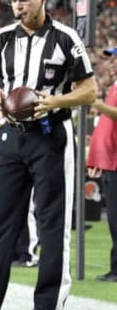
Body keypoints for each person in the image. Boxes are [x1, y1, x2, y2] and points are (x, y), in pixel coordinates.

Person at [0, 0, 97, 310]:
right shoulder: (1, 38)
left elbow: (90, 90)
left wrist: (53, 101)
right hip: (11, 137)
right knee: (0, 221)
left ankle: (48, 304)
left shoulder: (64, 37)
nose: (17, 3)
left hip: (51, 138)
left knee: (52, 223)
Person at [86, 47, 117, 282]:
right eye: (112, 59)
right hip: (109, 163)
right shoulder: (114, 88)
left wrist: (95, 102)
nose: (113, 63)